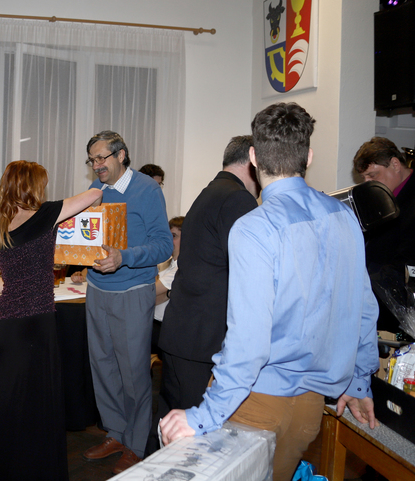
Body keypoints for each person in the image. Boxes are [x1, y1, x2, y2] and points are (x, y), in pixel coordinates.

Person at [160, 103, 380, 481]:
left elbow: (249, 341)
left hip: (254, 402)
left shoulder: (254, 227)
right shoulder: (343, 215)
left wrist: (203, 416)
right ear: (308, 156)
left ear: (253, 158)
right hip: (310, 407)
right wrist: (360, 381)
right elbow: (363, 308)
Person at [0, 160, 102, 481]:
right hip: (37, 322)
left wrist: (17, 286)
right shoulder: (46, 214)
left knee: (6, 401)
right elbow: (94, 195)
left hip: (8, 323)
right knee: (39, 401)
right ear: (33, 185)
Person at [149, 135, 260, 455]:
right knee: (196, 442)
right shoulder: (238, 199)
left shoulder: (210, 191)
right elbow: (248, 273)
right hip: (204, 340)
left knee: (169, 428)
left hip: (182, 333)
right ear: (252, 161)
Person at [81, 131, 173, 474]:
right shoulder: (96, 189)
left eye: (101, 158)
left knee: (133, 373)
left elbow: (163, 245)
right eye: (92, 160)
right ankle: (116, 433)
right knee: (103, 367)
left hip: (132, 291)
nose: (96, 165)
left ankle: (135, 444)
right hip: (97, 289)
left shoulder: (147, 189)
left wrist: (124, 257)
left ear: (121, 155)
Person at [353, 137, 415, 332]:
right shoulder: (393, 197)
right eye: (364, 178)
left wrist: (357, 282)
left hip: (410, 317)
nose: (367, 183)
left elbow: (409, 272)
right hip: (386, 303)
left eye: (373, 175)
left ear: (395, 164)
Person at [151, 216, 184, 354]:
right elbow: (150, 299)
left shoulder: (181, 269)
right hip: (152, 321)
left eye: (174, 236)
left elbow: (148, 293)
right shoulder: (165, 264)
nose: (169, 240)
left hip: (164, 329)